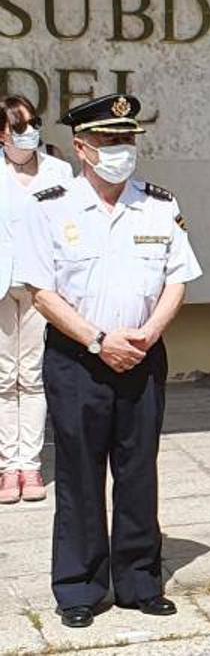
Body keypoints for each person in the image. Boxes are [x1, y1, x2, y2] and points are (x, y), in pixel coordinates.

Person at [13, 94, 202, 627]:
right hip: (77, 359)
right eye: (109, 140)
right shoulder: (49, 205)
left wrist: (146, 334)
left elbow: (178, 278)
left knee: (139, 471)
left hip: (142, 354)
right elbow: (41, 291)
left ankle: (140, 581)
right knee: (78, 475)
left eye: (128, 139)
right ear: (81, 147)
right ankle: (79, 587)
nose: (122, 149)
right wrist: (99, 341)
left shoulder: (160, 204)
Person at [0, 96, 73, 504]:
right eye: (19, 127)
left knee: (32, 374)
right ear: (2, 134)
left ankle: (30, 464)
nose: (29, 133)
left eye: (34, 123)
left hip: (41, 287)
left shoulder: (59, 170)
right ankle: (7, 466)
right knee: (2, 376)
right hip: (0, 284)